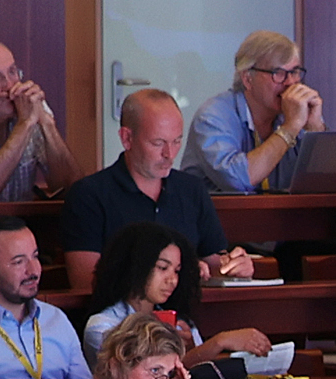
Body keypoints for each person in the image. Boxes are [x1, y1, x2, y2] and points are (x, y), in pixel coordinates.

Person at [56, 89, 241, 293]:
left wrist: (234, 267)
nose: (169, 154)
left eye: (177, 141)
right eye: (158, 143)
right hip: (122, 321)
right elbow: (85, 283)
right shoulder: (89, 195)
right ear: (127, 138)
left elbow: (215, 262)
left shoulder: (192, 189)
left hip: (186, 317)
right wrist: (178, 273)